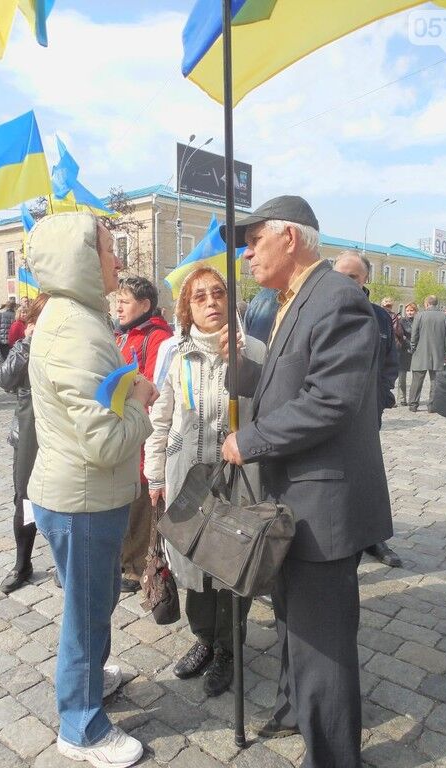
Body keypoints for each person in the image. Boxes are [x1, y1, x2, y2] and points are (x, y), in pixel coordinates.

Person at [219, 196, 392, 768]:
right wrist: (243, 369)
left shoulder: (338, 298)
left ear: (289, 239)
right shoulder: (292, 300)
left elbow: (330, 401)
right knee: (296, 627)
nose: (244, 255)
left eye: (253, 241)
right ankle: (296, 708)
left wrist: (251, 441)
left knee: (324, 647)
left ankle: (335, 756)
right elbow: (289, 380)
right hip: (294, 501)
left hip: (324, 507)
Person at [27, 213, 158, 767]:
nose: (118, 260)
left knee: (97, 600)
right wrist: (143, 403)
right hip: (82, 498)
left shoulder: (79, 316)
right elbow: (106, 443)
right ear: (80, 259)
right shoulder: (75, 332)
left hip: (89, 495)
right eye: (108, 250)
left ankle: (91, 679)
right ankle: (80, 724)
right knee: (85, 613)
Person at [145, 266, 265, 697]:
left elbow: (269, 413)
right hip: (188, 474)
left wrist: (243, 363)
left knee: (233, 562)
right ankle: (204, 639)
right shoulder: (175, 354)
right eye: (200, 297)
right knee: (193, 562)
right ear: (187, 308)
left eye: (219, 293)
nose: (212, 302)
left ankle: (230, 646)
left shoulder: (255, 349)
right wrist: (154, 474)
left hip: (239, 476)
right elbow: (161, 417)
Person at [333, 251, 401, 568]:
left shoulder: (381, 317)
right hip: (328, 414)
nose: (346, 282)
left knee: (367, 476)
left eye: (353, 277)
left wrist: (382, 394)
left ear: (365, 280)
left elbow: (390, 362)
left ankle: (372, 536)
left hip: (368, 413)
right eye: (340, 275)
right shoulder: (319, 311)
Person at [114, 276, 173, 594]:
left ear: (145, 305)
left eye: (125, 300)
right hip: (123, 426)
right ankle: (126, 557)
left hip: (143, 430)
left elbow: (153, 386)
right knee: (129, 498)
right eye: (117, 300)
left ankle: (137, 566)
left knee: (141, 500)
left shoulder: (158, 337)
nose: (118, 306)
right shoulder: (123, 335)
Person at [0, 294, 50, 594]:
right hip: (28, 433)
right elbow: (5, 380)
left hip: (60, 433)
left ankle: (62, 561)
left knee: (64, 498)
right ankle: (23, 563)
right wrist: (28, 343)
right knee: (25, 499)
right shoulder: (25, 346)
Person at [408, 295, 446, 412]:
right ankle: (432, 406)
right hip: (438, 354)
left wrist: (413, 348)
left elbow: (414, 335)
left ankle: (413, 405)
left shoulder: (419, 316)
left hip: (420, 352)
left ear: (427, 304)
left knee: (416, 381)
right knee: (435, 381)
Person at [397, 302, 418, 406]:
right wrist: (409, 343)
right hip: (404, 350)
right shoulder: (401, 321)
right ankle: (402, 398)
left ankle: (413, 398)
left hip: (415, 351)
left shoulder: (418, 321)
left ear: (415, 311)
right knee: (402, 376)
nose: (410, 312)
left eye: (412, 310)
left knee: (416, 376)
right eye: (408, 310)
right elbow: (401, 336)